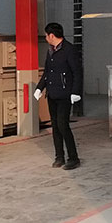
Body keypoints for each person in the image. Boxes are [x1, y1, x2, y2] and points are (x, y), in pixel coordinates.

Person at [34, 22, 82, 170]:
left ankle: (73, 158)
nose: (46, 38)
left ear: (51, 35)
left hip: (65, 94)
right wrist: (39, 88)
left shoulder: (69, 50)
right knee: (55, 126)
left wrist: (75, 91)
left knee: (63, 125)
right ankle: (59, 157)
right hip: (52, 94)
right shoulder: (50, 50)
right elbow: (47, 72)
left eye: (46, 35)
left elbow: (77, 72)